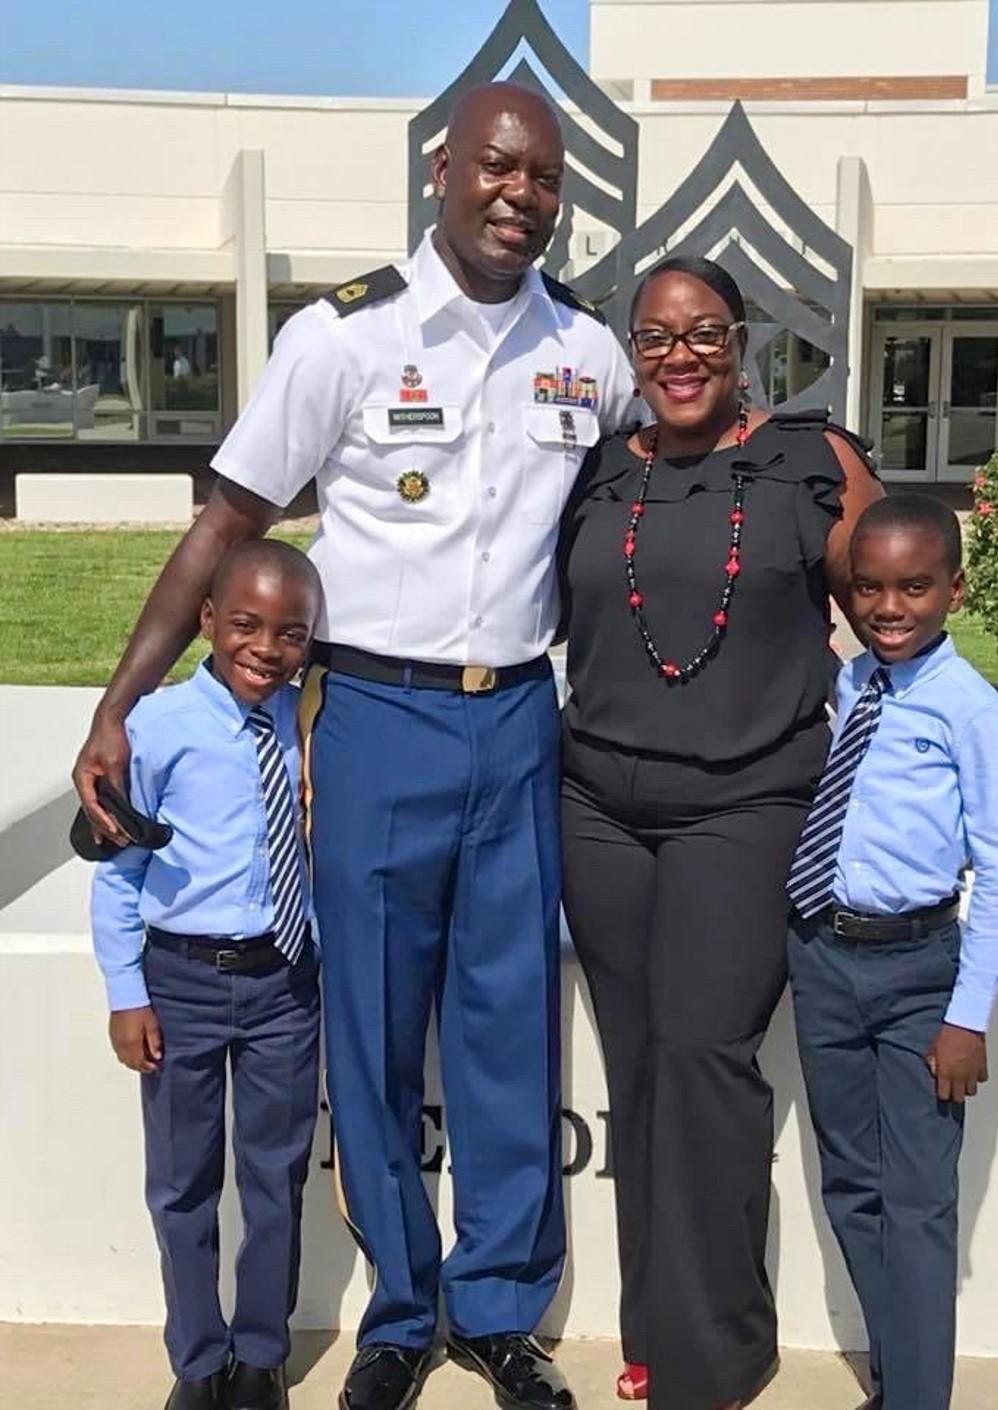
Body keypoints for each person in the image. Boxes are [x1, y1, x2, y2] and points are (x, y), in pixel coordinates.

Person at [73, 82, 638, 1410]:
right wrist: (117, 700)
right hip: (375, 715)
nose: (518, 195)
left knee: (507, 1026)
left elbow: (678, 462)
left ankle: (500, 1313)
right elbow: (223, 524)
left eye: (543, 178)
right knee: (372, 1026)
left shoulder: (588, 353)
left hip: (516, 721)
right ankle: (397, 1313)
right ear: (443, 170)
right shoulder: (344, 340)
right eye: (497, 167)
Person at [557, 254, 883, 1410]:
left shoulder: (810, 458)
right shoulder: (597, 469)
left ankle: (716, 1355)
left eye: (702, 334)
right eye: (653, 337)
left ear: (740, 341)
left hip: (747, 803)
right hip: (595, 805)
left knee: (704, 1059)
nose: (678, 356)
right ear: (629, 352)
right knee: (640, 1070)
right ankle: (651, 1335)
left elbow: (888, 613)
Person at [786, 495, 998, 1410]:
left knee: (917, 1206)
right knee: (850, 1184)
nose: (887, 607)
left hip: (919, 973)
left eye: (913, 588)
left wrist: (965, 1017)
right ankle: (895, 1382)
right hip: (823, 957)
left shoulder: (967, 710)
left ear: (952, 591)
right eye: (869, 588)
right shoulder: (848, 687)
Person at [90, 539, 324, 1410]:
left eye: (290, 633)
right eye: (246, 626)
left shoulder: (308, 724)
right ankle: (198, 1361)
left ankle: (259, 1355)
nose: (266, 647)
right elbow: (117, 870)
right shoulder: (152, 730)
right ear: (206, 623)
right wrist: (126, 994)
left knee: (275, 1175)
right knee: (184, 1183)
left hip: (284, 983)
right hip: (181, 981)